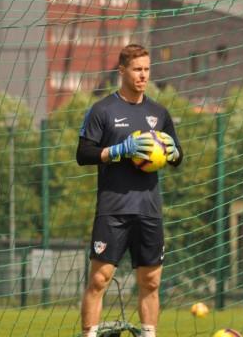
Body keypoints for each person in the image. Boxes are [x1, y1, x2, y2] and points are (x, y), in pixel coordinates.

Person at [76, 44, 183, 337]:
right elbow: (83, 154)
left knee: (151, 282)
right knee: (99, 279)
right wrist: (120, 150)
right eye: (137, 69)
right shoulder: (102, 110)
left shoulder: (159, 112)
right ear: (122, 70)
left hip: (149, 210)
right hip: (113, 208)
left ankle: (149, 334)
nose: (143, 75)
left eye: (147, 69)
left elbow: (178, 156)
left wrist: (173, 153)